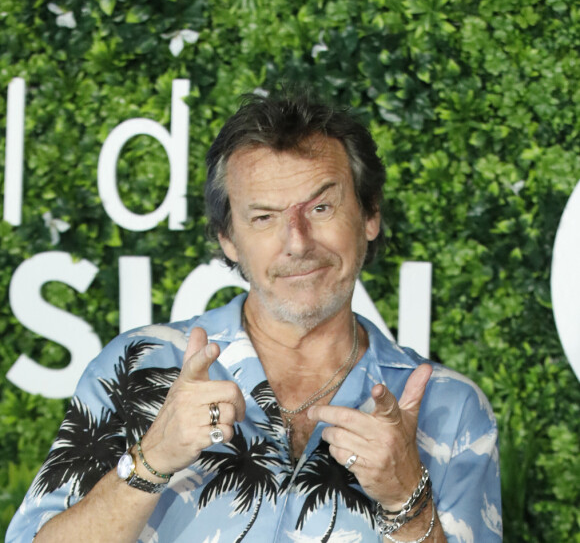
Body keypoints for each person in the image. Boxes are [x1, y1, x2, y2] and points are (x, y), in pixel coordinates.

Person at [7, 93, 502, 543]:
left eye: (322, 207)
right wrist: (151, 461)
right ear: (228, 239)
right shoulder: (136, 366)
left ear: (370, 215)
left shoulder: (451, 407)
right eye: (263, 217)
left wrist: (407, 503)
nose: (298, 242)